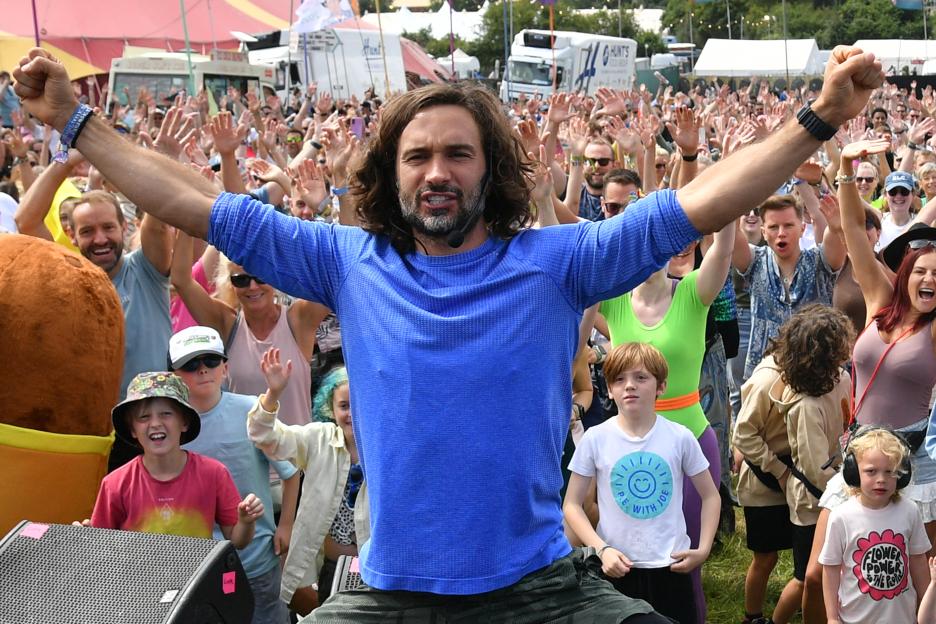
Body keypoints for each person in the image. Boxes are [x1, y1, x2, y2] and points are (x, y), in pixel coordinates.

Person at [14, 45, 884, 621]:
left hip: (538, 588)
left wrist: (817, 120)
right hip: (392, 595)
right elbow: (189, 201)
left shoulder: (558, 261)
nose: (437, 172)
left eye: (457, 153)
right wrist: (74, 122)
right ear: (390, 175)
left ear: (491, 168)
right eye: (417, 156)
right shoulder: (345, 261)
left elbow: (703, 201)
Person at [564, 342, 719, 624]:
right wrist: (602, 549)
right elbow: (572, 505)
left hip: (671, 567)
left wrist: (704, 548)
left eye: (641, 377)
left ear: (661, 386)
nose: (630, 386)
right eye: (619, 379)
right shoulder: (595, 439)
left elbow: (711, 495)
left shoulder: (680, 437)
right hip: (616, 568)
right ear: (609, 389)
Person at [838, 138, 936, 554]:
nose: (930, 280)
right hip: (860, 452)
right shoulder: (879, 300)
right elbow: (853, 233)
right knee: (823, 570)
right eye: (922, 271)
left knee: (921, 569)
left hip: (913, 464)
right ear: (904, 273)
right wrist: (844, 167)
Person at [169, 327, 299, 624]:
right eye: (191, 364)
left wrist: (287, 526)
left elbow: (291, 473)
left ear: (226, 368)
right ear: (175, 375)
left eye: (211, 361)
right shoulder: (170, 424)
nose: (202, 369)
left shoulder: (250, 410)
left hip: (257, 559)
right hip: (197, 566)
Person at [83, 371, 264, 549]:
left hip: (198, 578)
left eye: (166, 414)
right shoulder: (115, 484)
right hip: (138, 578)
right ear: (132, 429)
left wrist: (246, 521)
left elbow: (237, 540)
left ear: (184, 422)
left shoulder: (213, 473)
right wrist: (83, 538)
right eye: (144, 417)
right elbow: (100, 548)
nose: (155, 423)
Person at [248, 353, 368, 616]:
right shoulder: (320, 439)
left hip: (375, 570)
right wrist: (273, 393)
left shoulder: (385, 445)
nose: (352, 413)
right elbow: (264, 435)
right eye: (344, 406)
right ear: (331, 409)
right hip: (332, 567)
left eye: (360, 403)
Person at [818, 427, 929, 624]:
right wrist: (832, 617)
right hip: (855, 619)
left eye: (890, 472)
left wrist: (929, 605)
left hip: (901, 618)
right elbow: (831, 569)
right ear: (853, 471)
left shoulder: (910, 511)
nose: (881, 480)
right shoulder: (841, 517)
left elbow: (919, 561)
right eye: (871, 471)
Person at [731, 193, 846, 383]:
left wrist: (837, 225)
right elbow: (732, 235)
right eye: (774, 227)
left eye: (788, 225)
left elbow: (834, 235)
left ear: (802, 229)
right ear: (763, 232)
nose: (781, 232)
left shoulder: (820, 261)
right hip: (766, 377)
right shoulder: (755, 261)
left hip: (816, 373)